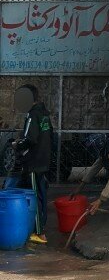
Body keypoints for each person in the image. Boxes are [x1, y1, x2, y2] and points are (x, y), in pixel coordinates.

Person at [13, 85, 53, 245]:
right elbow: (51, 136)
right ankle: (37, 227)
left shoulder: (32, 115)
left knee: (35, 196)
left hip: (33, 162)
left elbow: (30, 138)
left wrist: (17, 144)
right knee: (41, 195)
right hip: (43, 161)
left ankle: (40, 232)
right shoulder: (44, 114)